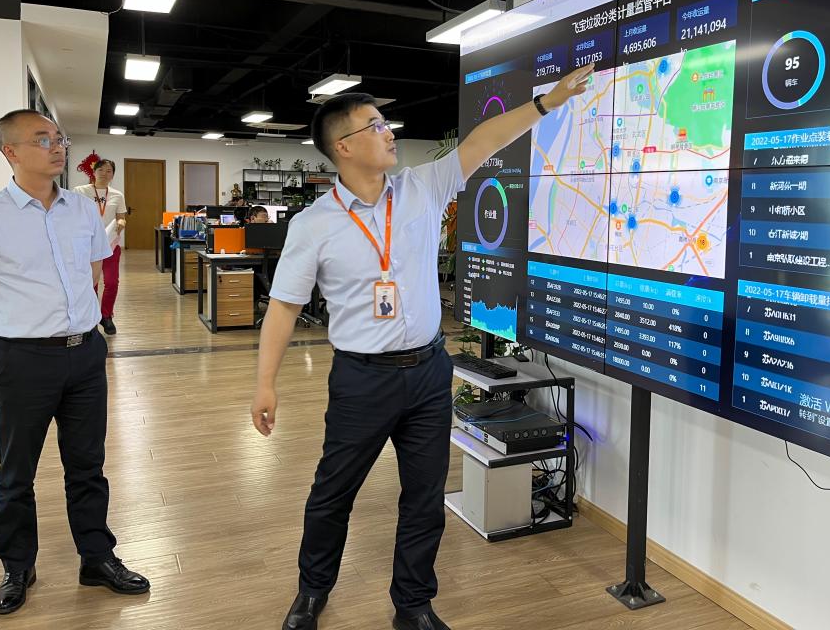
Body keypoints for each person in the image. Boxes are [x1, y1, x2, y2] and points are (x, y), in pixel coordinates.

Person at [250, 63, 594, 630]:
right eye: (375, 125)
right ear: (343, 146)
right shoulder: (314, 224)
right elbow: (285, 306)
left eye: (384, 123)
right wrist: (265, 383)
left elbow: (485, 139)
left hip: (431, 370)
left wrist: (546, 102)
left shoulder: (421, 187)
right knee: (333, 492)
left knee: (424, 494)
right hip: (362, 379)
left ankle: (413, 605)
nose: (388, 132)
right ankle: (312, 592)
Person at [0, 111, 150, 616]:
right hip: (22, 360)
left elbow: (92, 273)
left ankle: (96, 557)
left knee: (88, 466)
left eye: (58, 138)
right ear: (10, 151)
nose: (57, 146)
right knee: (17, 471)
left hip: (84, 355)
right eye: (42, 140)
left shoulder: (81, 210)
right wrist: (11, 332)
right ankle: (18, 566)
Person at [73, 159, 127, 335]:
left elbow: (121, 217)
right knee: (91, 282)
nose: (105, 173)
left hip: (110, 243)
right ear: (94, 172)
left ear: (113, 175)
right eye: (101, 170)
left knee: (111, 282)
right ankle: (92, 317)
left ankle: (106, 315)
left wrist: (121, 223)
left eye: (109, 171)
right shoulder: (80, 191)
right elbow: (73, 214)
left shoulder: (117, 195)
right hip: (87, 244)